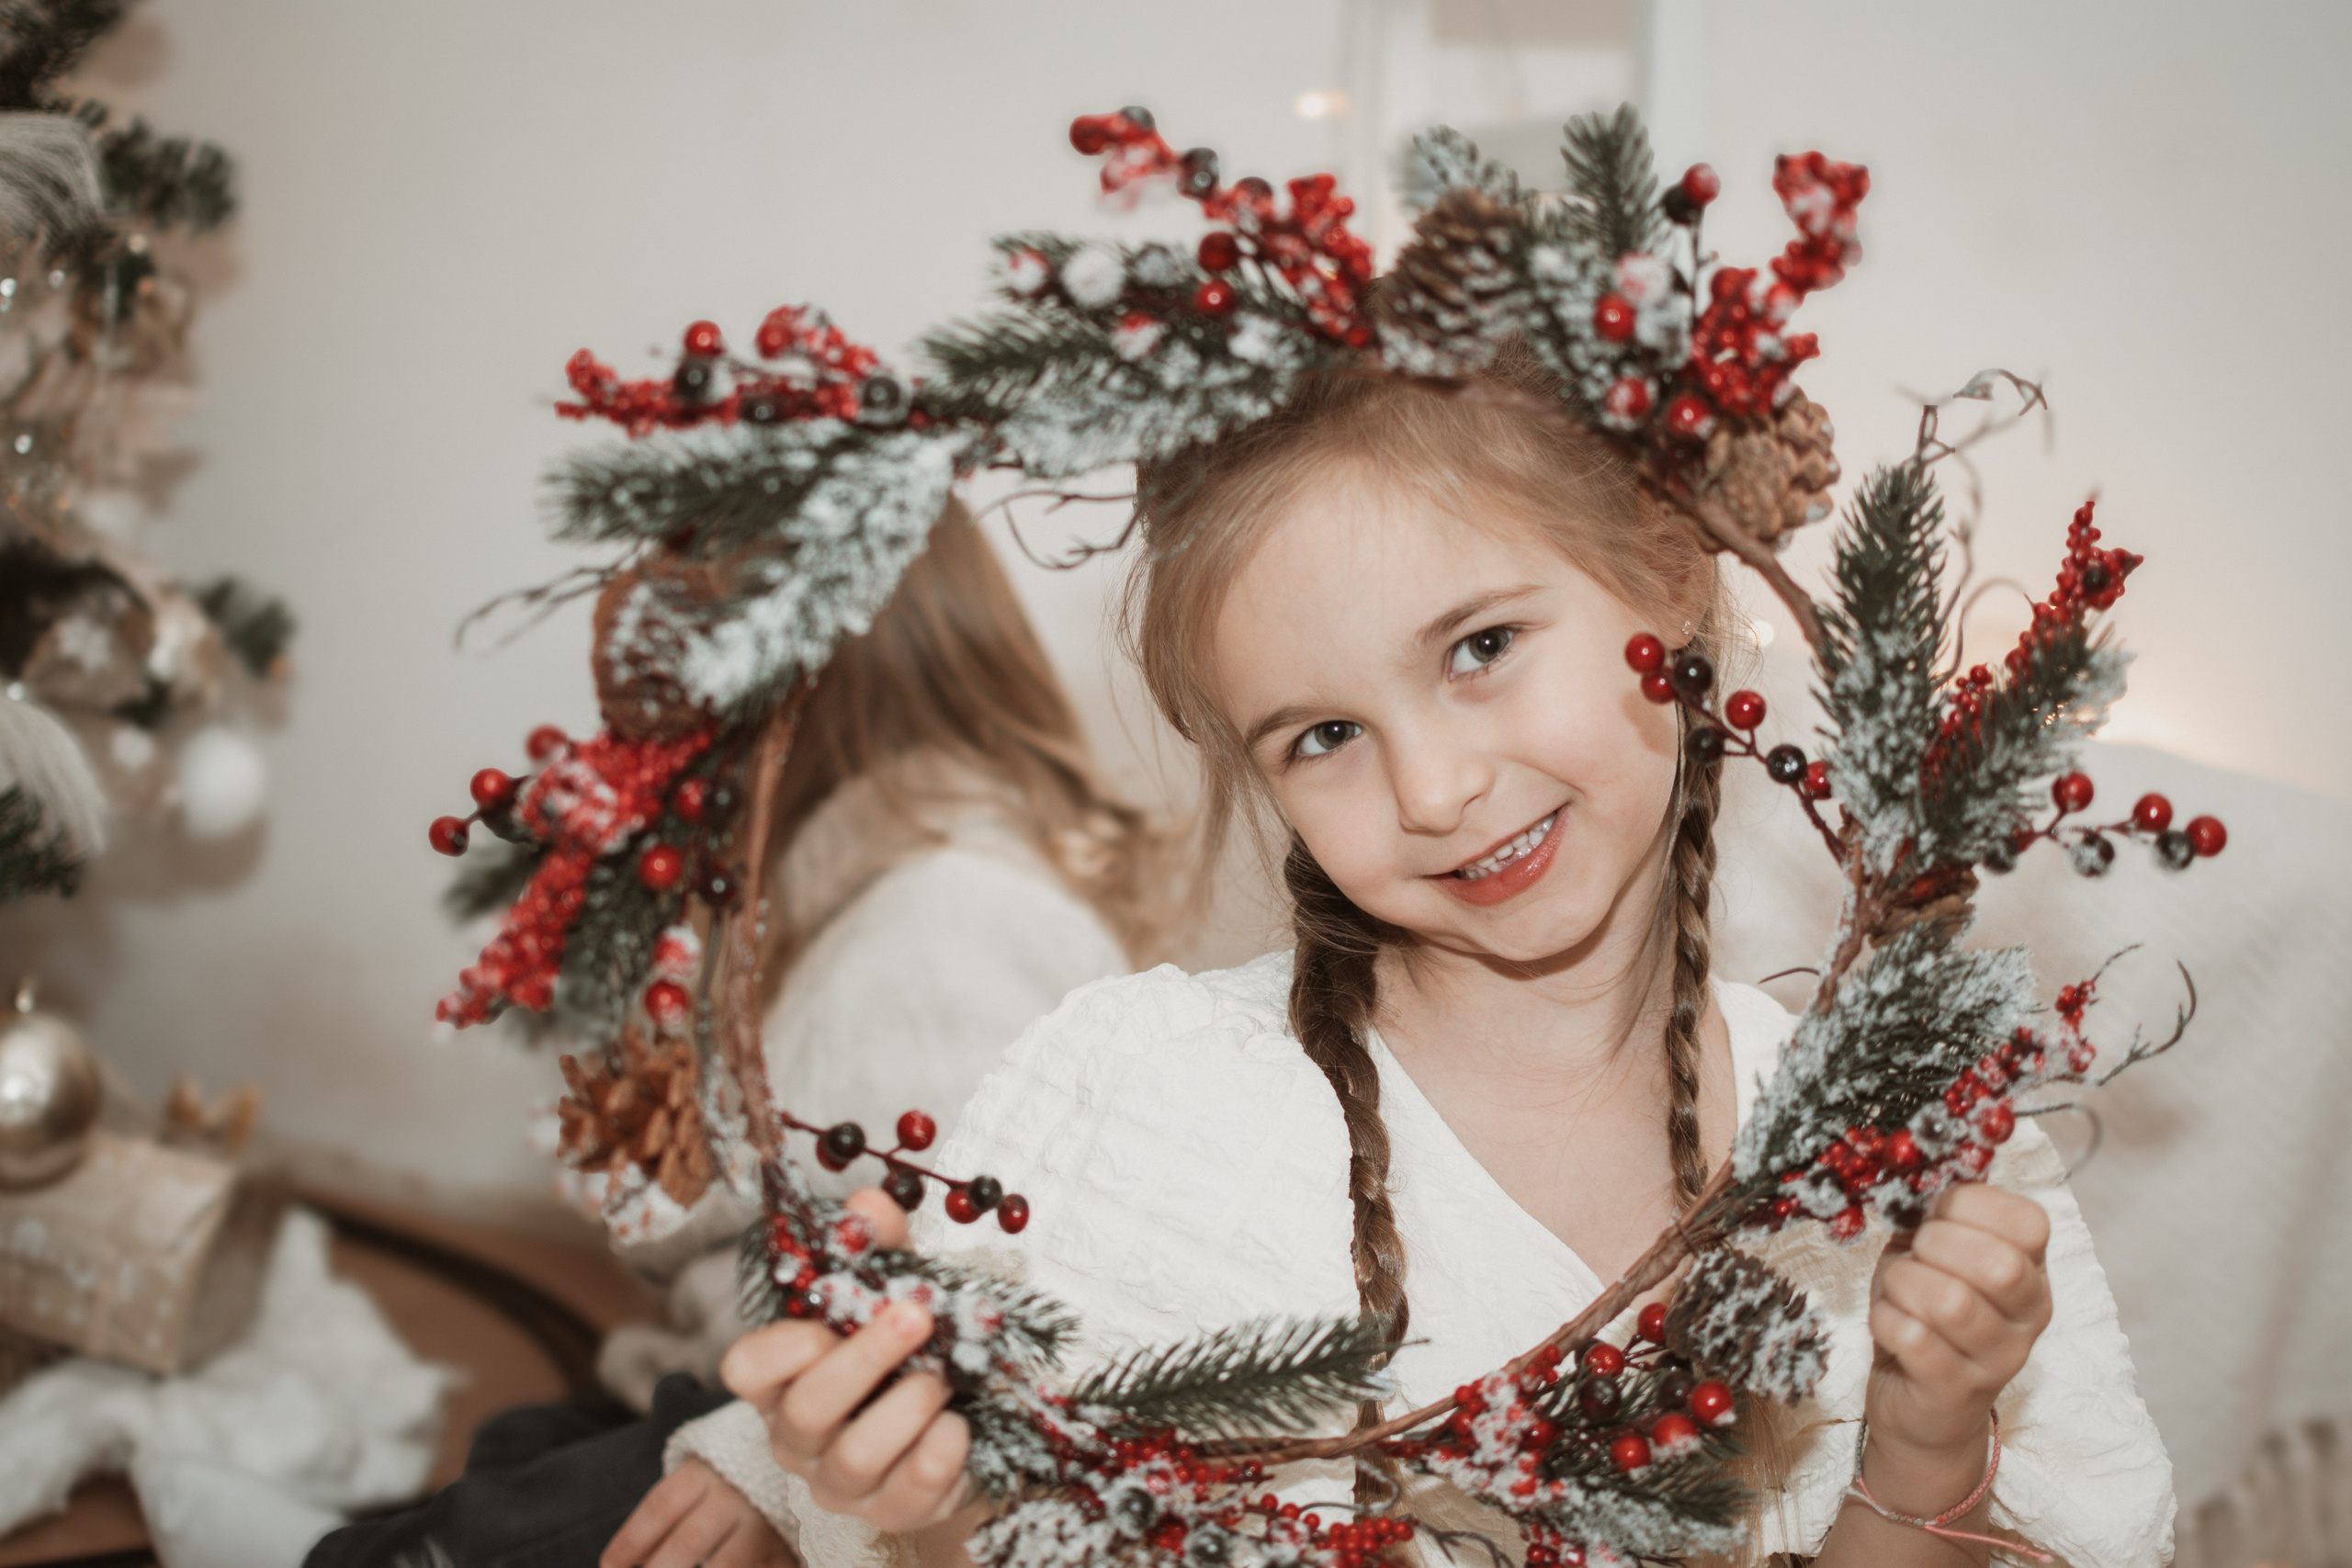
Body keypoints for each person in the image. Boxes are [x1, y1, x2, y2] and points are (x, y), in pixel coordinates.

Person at [717, 355, 2175, 1567]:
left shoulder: (1900, 1151)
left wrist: (1932, 1427)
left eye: (1480, 646)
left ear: (1668, 577)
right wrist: (940, 1510)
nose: (1429, 788)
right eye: (1325, 735)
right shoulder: (1143, 1106)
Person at [304, 498, 1168, 1568]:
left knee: (460, 1539)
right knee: (522, 1449)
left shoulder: (945, 924)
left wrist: (769, 1468)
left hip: (796, 1431)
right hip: (724, 1373)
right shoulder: (841, 883)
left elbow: (978, 1307)